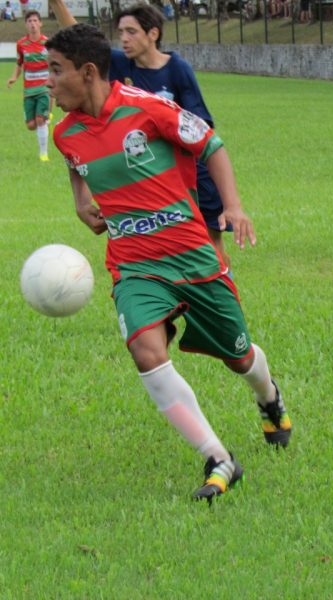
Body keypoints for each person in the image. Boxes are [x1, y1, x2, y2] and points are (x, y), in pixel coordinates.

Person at [46, 23, 292, 503]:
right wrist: (80, 200)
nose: (47, 81)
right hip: (133, 265)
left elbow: (211, 145)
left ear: (88, 71)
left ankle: (269, 396)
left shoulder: (148, 108)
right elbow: (77, 161)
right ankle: (218, 458)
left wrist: (233, 206)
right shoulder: (65, 133)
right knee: (146, 351)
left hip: (192, 256)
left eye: (56, 70)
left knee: (238, 356)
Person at [48, 0, 235, 270]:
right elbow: (77, 44)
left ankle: (217, 287)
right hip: (148, 181)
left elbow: (201, 127)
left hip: (193, 174)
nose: (123, 38)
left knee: (209, 247)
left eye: (131, 31)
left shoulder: (177, 69)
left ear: (153, 34)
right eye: (120, 32)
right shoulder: (122, 66)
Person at [6, 10, 52, 161]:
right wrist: (13, 77)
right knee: (31, 125)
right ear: (26, 25)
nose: (32, 24)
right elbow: (19, 64)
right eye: (29, 21)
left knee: (40, 120)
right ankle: (45, 118)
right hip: (29, 90)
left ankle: (43, 154)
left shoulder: (48, 43)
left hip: (44, 87)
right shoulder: (21, 44)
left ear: (40, 23)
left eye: (35, 21)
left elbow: (54, 64)